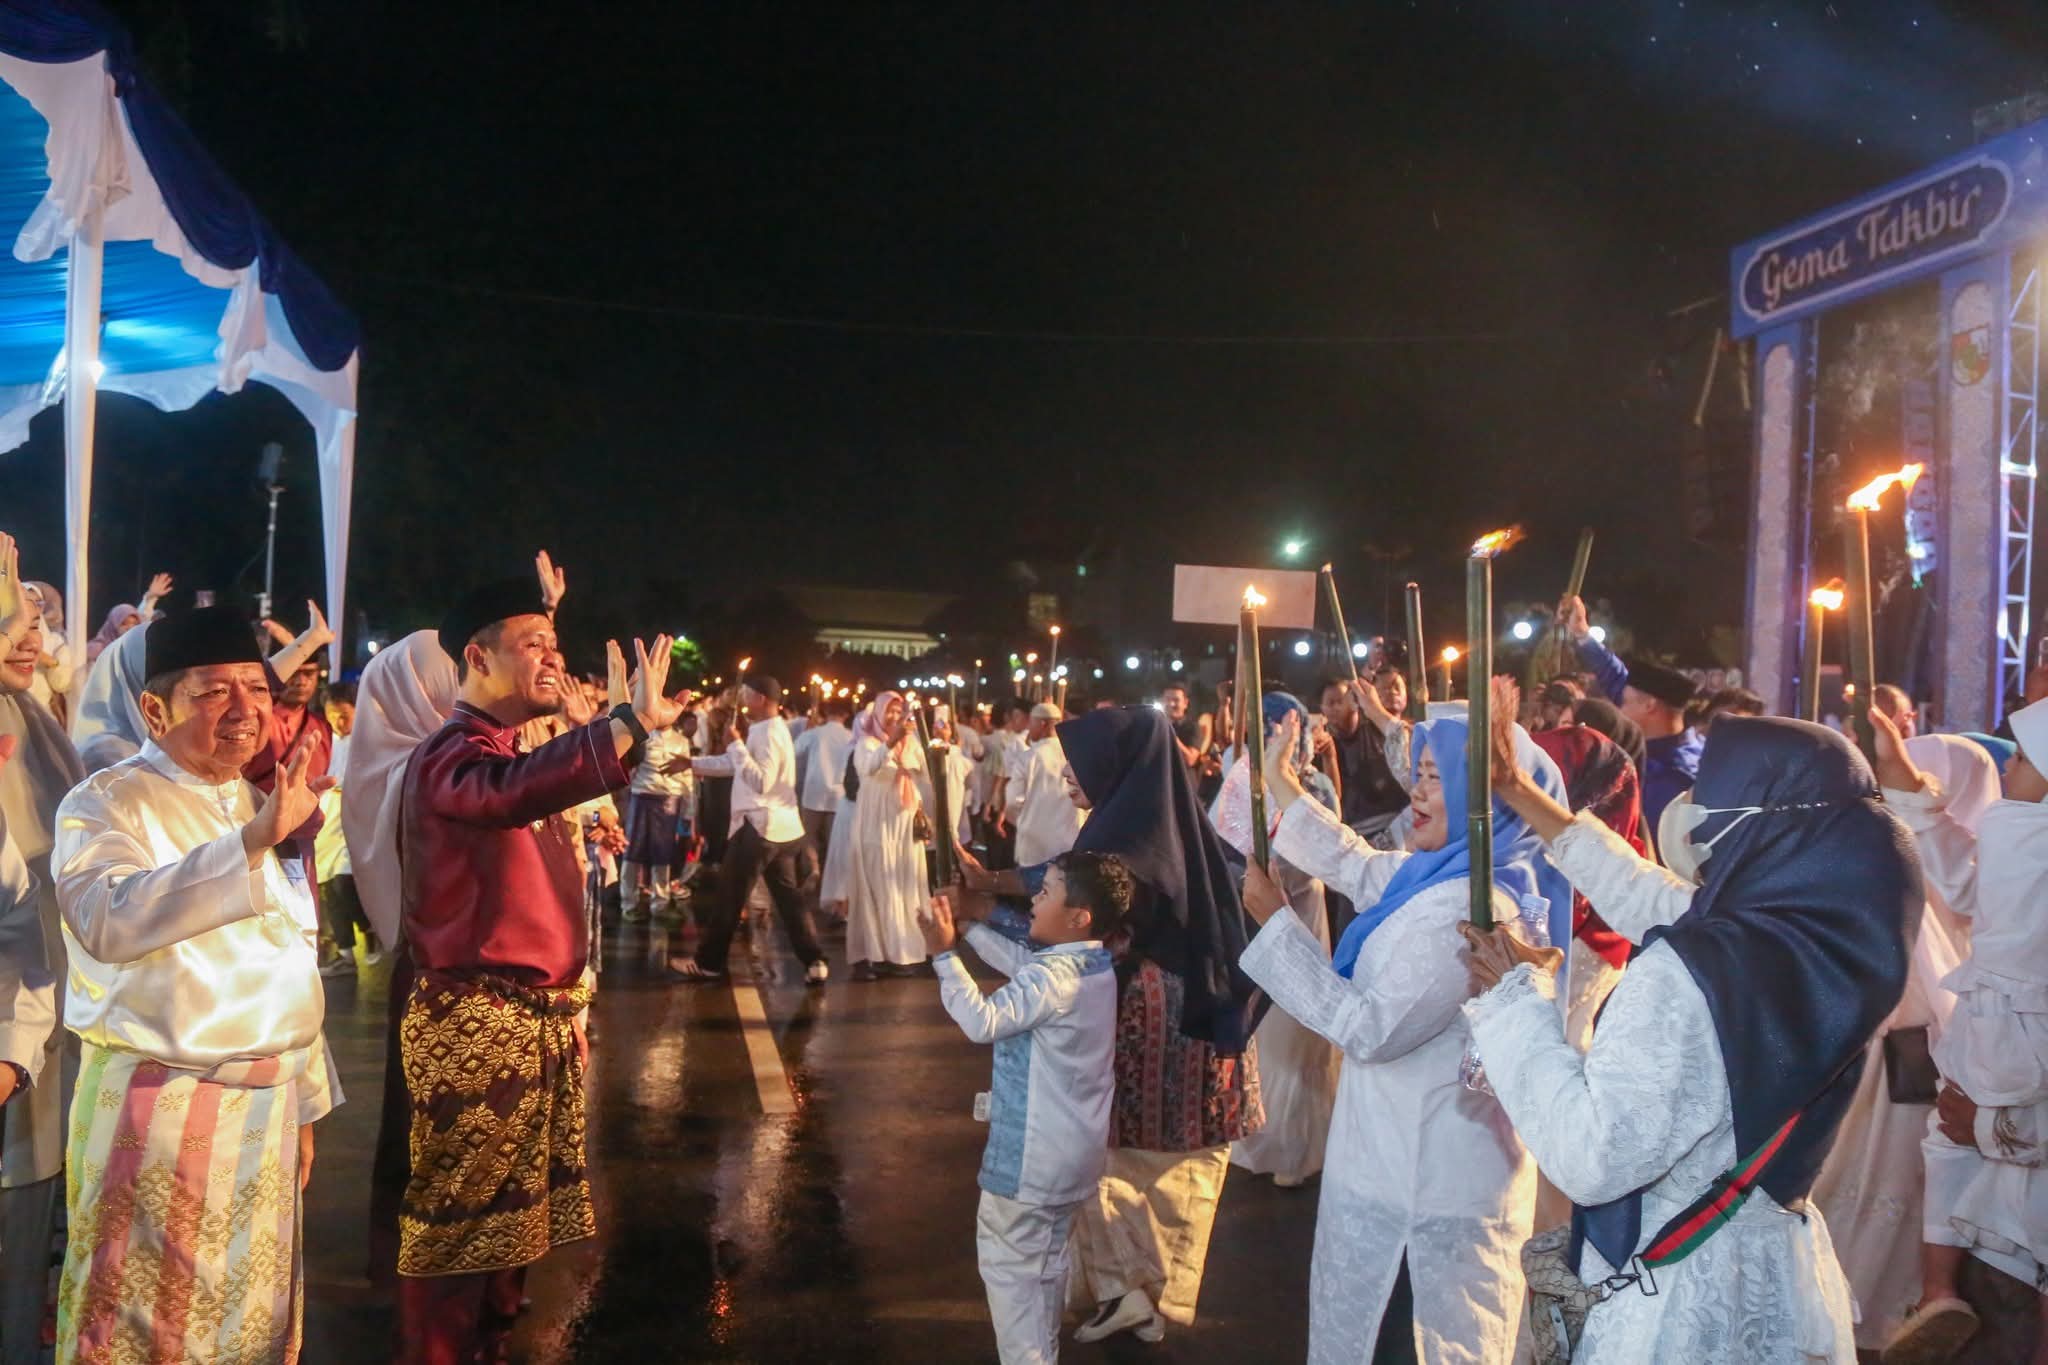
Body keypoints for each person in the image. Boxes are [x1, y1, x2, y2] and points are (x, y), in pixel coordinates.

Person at [1468, 705, 1917, 1364]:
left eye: (1710, 794)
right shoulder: (1826, 948)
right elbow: (1645, 893)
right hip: (1767, 1271)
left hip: (1672, 1295)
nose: (1687, 808)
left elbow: (1593, 1157)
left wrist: (1515, 999)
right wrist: (1520, 791)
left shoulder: (1685, 976)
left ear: (1762, 824)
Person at [394, 578, 678, 1364]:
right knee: (462, 1233)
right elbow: (508, 796)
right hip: (477, 1021)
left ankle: (489, 1346)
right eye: (533, 644)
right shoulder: (453, 755)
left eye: (556, 645)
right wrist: (622, 726)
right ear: (476, 657)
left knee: (513, 1226)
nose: (553, 659)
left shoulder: (515, 752)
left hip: (539, 1021)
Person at [51, 605, 342, 1363]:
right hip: (162, 1111)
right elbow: (106, 917)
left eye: (256, 687)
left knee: (247, 1325)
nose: (246, 710)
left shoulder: (255, 801)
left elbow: (288, 954)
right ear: (154, 708)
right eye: (215, 691)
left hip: (265, 1118)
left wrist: (305, 1097)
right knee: (146, 1328)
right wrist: (252, 842)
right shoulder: (107, 800)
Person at [1235, 705, 1542, 1363]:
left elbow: (1368, 1027)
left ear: (1480, 797)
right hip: (1388, 1166)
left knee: (1408, 1342)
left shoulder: (1469, 912)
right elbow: (1351, 860)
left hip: (1424, 1194)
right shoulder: (1433, 879)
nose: (1417, 791)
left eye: (1435, 777)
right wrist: (1280, 778)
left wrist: (1275, 924)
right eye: (1420, 773)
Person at [1047, 707, 1262, 1346]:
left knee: (1098, 1153)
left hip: (1142, 1020)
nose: (1067, 776)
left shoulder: (1117, 844)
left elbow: (1071, 919)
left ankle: (1125, 1289)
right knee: (1178, 1163)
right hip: (1200, 1016)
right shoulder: (1173, 827)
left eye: (1079, 765)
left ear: (1118, 768)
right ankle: (1158, 1296)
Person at [1879, 699, 2048, 1365]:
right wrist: (1906, 779)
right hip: (2006, 1032)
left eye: (2028, 756)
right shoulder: (2017, 833)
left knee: (1949, 1142)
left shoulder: (2019, 833)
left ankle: (1935, 1288)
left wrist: (1989, 1128)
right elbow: (1964, 872)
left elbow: (1960, 872)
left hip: (2007, 1032)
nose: (2012, 766)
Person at [922, 852, 1128, 1365]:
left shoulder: (1053, 980)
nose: (1034, 899)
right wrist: (968, 926)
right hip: (1073, 1155)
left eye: (1046, 891)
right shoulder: (1094, 964)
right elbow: (1025, 966)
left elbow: (982, 1022)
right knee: (1046, 1264)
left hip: (1032, 1161)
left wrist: (944, 956)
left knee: (1011, 1272)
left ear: (1078, 916)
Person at [1811, 732, 1979, 1354]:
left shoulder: (1977, 863)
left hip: (1913, 1046)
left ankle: (1884, 1311)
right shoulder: (1922, 850)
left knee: (1888, 1179)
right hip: (1901, 1042)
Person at [338, 629, 458, 1287]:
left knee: (421, 1119)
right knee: (421, 1122)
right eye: (451, 677)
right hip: (438, 964)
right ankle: (414, 1265)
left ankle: (413, 1260)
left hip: (433, 959)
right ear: (419, 689)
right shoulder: (424, 767)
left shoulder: (400, 759)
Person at [0, 536, 83, 1365]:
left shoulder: (28, 720)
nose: (34, 637)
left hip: (28, 1047)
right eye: (15, 619)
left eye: (35, 619)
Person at [1211, 692, 1340, 1190]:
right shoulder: (1241, 777)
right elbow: (1218, 836)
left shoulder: (1315, 785)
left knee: (1295, 1026)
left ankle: (1297, 1147)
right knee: (1260, 1026)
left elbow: (1327, 847)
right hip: (1252, 912)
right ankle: (1254, 1135)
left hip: (1301, 907)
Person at [673, 672, 829, 985]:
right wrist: (693, 764)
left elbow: (761, 781)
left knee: (729, 898)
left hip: (759, 827)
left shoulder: (768, 733)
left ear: (760, 699)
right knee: (790, 902)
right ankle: (815, 961)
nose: (742, 700)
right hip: (780, 829)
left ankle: (708, 963)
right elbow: (738, 767)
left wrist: (736, 746)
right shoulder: (771, 728)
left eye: (745, 693)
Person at [1559, 594, 1703, 851]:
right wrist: (1582, 633)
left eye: (1622, 702)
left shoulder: (1675, 778)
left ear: (1649, 706)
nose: (1617, 707)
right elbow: (1616, 679)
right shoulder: (1673, 738)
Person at [844, 691, 931, 980]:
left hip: (904, 825)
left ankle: (905, 952)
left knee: (904, 884)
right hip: (876, 825)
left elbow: (926, 772)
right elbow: (869, 768)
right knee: (879, 885)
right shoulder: (866, 743)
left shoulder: (911, 743)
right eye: (889, 712)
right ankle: (874, 953)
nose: (894, 717)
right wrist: (893, 742)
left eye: (899, 711)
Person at [1320, 672, 1410, 846]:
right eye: (1331, 703)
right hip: (1355, 834)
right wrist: (1328, 758)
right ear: (1322, 708)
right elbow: (1331, 799)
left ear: (1355, 701)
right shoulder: (1322, 744)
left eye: (1340, 701)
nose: (1336, 707)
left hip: (1396, 823)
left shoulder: (1378, 731)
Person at [621, 708, 693, 921]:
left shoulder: (681, 741)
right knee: (632, 851)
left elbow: (686, 776)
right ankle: (628, 903)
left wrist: (689, 811)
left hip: (669, 801)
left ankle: (660, 903)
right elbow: (627, 769)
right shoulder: (640, 737)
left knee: (663, 853)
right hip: (641, 798)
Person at [1008, 702, 1084, 867]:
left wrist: (1025, 821)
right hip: (1070, 843)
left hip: (1035, 847)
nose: (1029, 728)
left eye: (1031, 723)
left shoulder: (1027, 758)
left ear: (1042, 724)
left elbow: (1013, 801)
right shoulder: (1077, 753)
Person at [797, 695, 855, 862]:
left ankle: (812, 870)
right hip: (840, 795)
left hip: (813, 793)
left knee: (808, 838)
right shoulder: (851, 736)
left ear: (826, 712)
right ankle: (833, 876)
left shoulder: (815, 733)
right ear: (846, 715)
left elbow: (794, 751)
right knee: (836, 842)